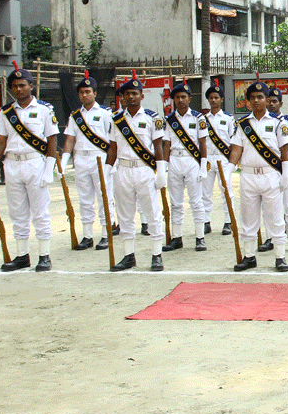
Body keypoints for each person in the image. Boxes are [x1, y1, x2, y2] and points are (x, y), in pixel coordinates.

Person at [0, 65, 59, 272]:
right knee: (17, 213)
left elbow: (52, 139)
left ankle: (44, 255)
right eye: (14, 86)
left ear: (31, 86)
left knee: (40, 212)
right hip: (12, 164)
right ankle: (22, 255)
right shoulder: (6, 112)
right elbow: (0, 141)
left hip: (35, 162)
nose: (18, 89)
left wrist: (49, 169)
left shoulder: (44, 109)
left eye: (22, 85)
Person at [106, 73, 168, 272]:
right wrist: (108, 170)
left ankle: (156, 254)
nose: (130, 97)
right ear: (122, 97)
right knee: (124, 215)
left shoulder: (152, 118)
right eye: (127, 94)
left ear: (142, 96)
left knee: (152, 213)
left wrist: (161, 171)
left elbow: (158, 146)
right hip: (123, 170)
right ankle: (128, 255)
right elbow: (113, 148)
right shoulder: (116, 120)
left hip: (144, 171)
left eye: (134, 93)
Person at [229, 80, 288, 272]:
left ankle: (280, 256)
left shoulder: (278, 123)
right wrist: (228, 171)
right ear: (248, 101)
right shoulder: (242, 124)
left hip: (270, 175)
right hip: (248, 176)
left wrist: (286, 173)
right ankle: (249, 257)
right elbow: (236, 150)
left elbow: (284, 149)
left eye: (260, 97)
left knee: (274, 218)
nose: (256, 101)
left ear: (267, 100)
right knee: (248, 218)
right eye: (253, 98)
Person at [61, 71, 115, 251]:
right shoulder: (75, 116)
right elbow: (70, 139)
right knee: (85, 199)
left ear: (95, 93)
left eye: (88, 91)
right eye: (81, 92)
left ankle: (106, 234)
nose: (84, 95)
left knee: (104, 198)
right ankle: (87, 235)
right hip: (81, 159)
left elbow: (113, 140)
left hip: (100, 158)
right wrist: (64, 161)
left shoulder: (106, 113)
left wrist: (111, 163)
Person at [162, 80, 208, 252]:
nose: (180, 100)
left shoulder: (198, 118)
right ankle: (177, 237)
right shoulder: (169, 120)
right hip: (174, 160)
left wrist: (203, 165)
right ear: (173, 99)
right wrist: (164, 166)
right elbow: (166, 144)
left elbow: (203, 143)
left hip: (192, 161)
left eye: (183, 97)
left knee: (196, 201)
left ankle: (200, 237)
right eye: (177, 97)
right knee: (175, 203)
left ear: (189, 99)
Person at [267, 87, 288, 253]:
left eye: (275, 101)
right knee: (269, 207)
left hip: (285, 168)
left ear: (280, 103)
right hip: (269, 170)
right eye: (269, 100)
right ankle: (270, 238)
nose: (271, 104)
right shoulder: (261, 120)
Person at [201, 80, 235, 237]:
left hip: (223, 158)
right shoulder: (202, 119)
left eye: (216, 97)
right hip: (208, 159)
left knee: (226, 190)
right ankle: (206, 221)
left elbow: (233, 140)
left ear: (221, 100)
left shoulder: (228, 118)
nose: (213, 100)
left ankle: (228, 222)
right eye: (211, 97)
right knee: (205, 192)